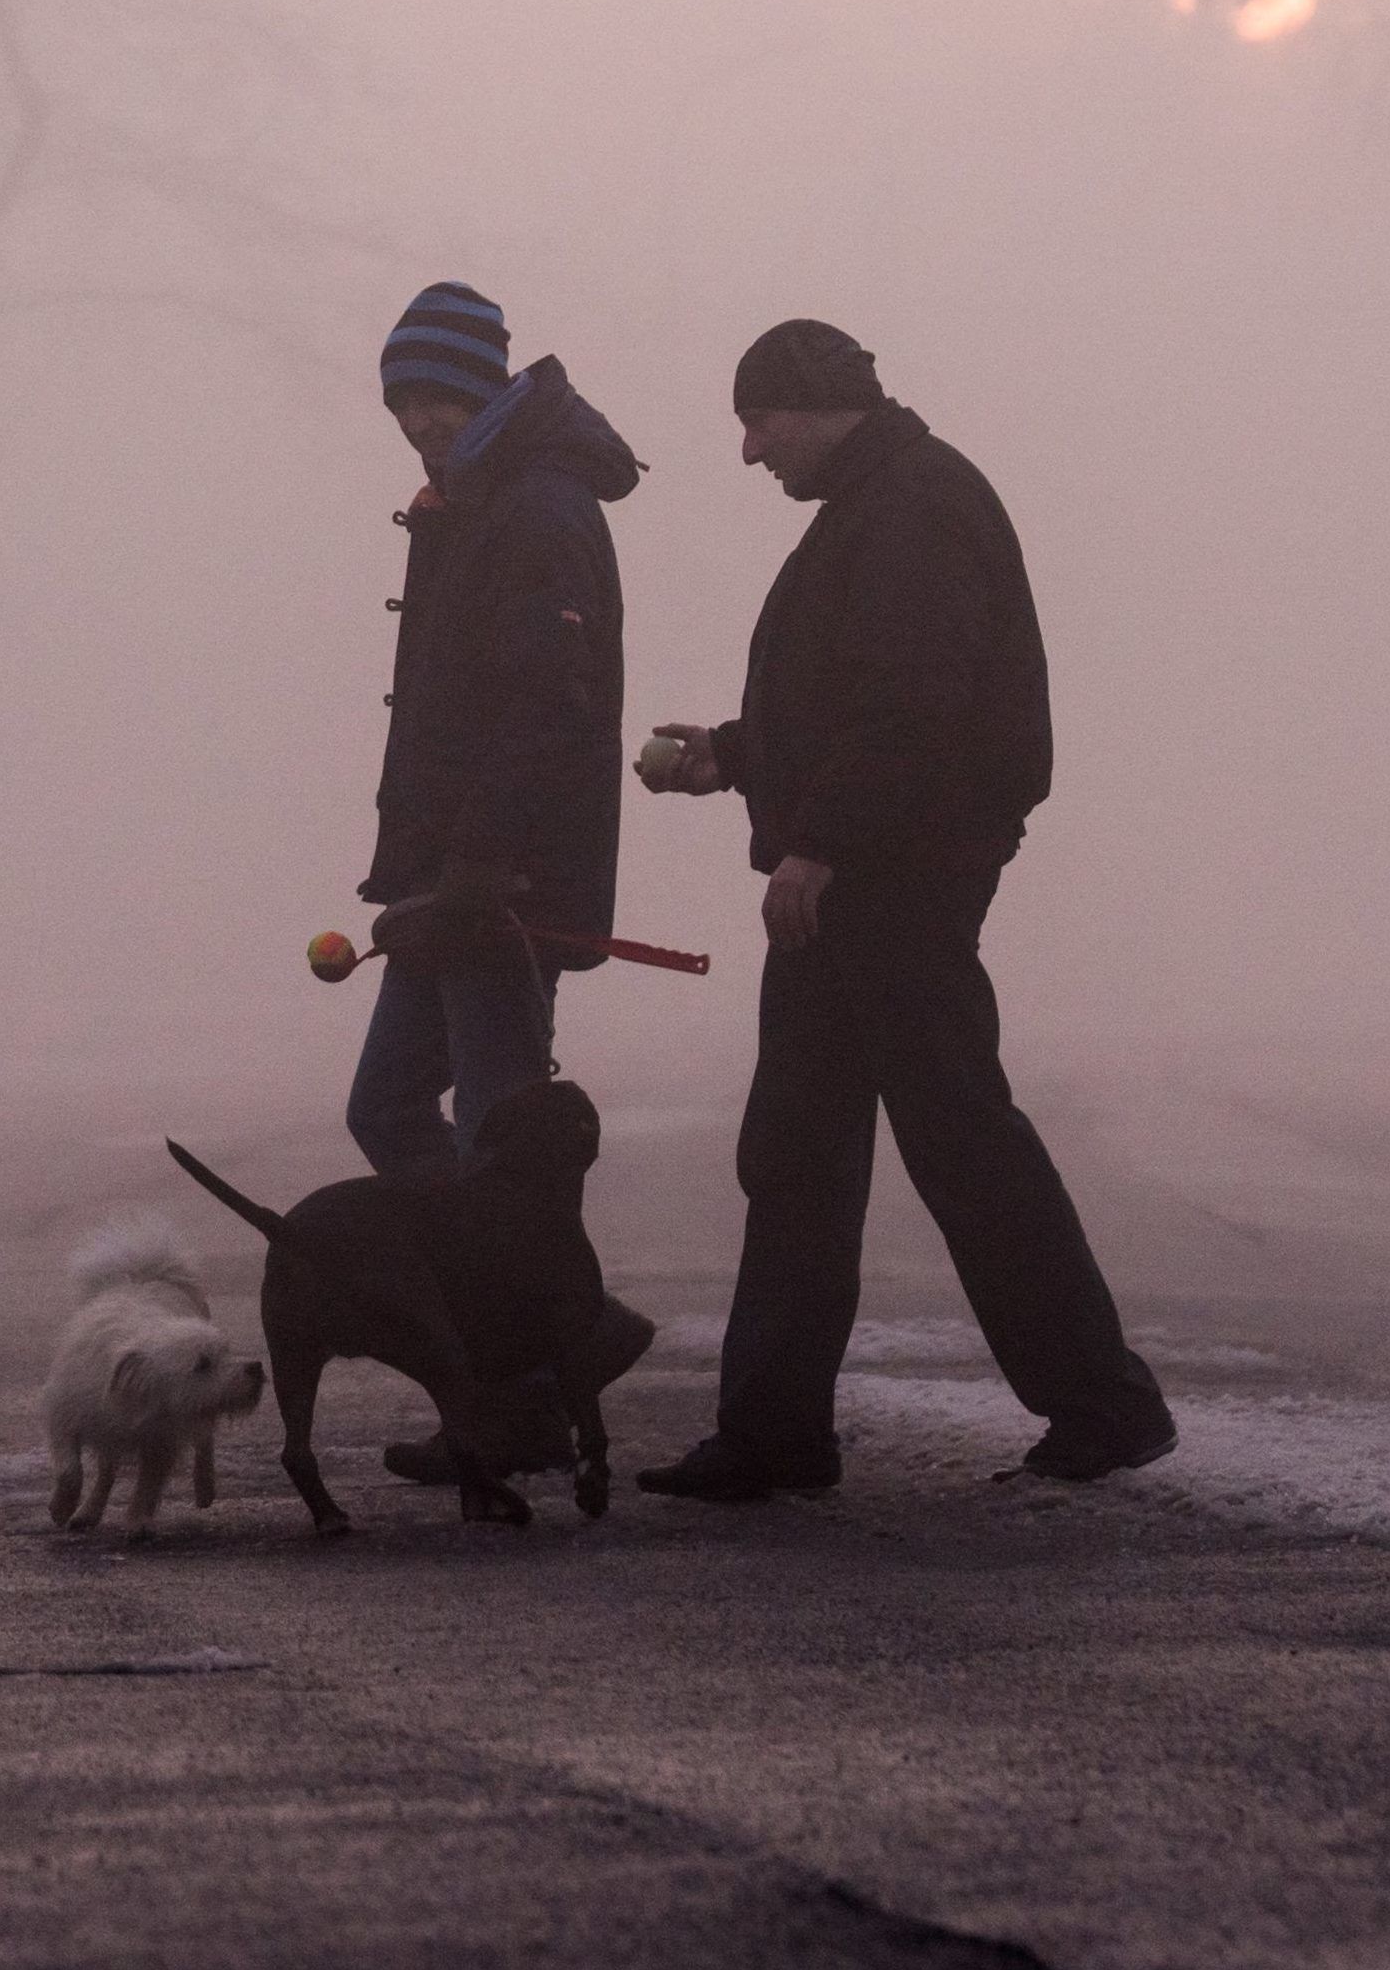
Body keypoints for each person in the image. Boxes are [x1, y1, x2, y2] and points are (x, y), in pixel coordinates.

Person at [631, 319, 1174, 1500]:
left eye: (758, 418)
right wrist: (732, 754)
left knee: (954, 1144)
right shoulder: (884, 504)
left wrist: (820, 844)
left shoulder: (912, 507)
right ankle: (777, 1431)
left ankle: (1103, 1405)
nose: (746, 450)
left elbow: (913, 704)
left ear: (820, 405)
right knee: (801, 1152)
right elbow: (855, 699)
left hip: (892, 884)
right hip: (863, 880)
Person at [347, 280, 643, 1183]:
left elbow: (549, 703)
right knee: (393, 1109)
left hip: (502, 880)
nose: (417, 420)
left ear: (482, 389)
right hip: (454, 876)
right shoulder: (471, 504)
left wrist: (480, 861)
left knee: (497, 1128)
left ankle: (532, 1317)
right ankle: (481, 1292)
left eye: (434, 396)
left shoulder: (534, 508)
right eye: (401, 401)